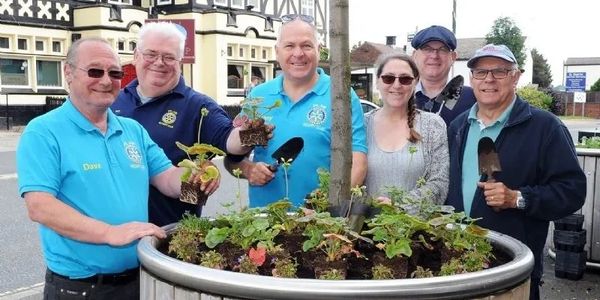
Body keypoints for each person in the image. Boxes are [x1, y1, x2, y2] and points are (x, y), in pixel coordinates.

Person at [16, 37, 199, 299]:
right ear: (68, 72)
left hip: (139, 278)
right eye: (94, 71)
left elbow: (167, 179)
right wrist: (110, 233)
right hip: (80, 288)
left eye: (115, 73)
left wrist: (196, 180)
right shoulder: (43, 131)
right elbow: (40, 207)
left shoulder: (132, 130)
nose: (106, 80)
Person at [445, 44, 586, 300]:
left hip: (510, 269)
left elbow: (572, 191)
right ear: (471, 79)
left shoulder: (545, 128)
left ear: (516, 76)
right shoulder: (458, 125)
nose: (489, 79)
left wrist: (518, 198)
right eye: (480, 72)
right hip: (458, 263)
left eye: (499, 71)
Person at [112, 22, 252, 226]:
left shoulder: (198, 105)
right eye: (151, 54)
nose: (159, 62)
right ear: (136, 56)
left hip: (169, 235)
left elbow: (231, 141)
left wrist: (251, 133)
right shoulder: (113, 101)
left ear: (180, 62)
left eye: (169, 57)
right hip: (113, 234)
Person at [225, 14, 367, 207]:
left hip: (320, 225)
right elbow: (233, 159)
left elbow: (357, 163)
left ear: (319, 50)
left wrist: (325, 209)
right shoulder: (260, 97)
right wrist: (249, 169)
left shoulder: (341, 95)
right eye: (289, 46)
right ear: (277, 52)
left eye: (306, 45)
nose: (298, 54)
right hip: (264, 224)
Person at [364, 52, 448, 203]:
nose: (396, 85)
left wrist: (399, 207)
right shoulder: (361, 125)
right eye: (388, 78)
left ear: (415, 82)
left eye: (405, 79)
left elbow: (439, 184)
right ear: (377, 82)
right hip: (366, 224)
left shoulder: (433, 125)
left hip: (415, 225)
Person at [411, 25, 476, 125]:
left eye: (442, 49)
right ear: (414, 55)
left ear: (453, 57)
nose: (434, 56)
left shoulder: (471, 98)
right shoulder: (404, 96)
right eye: (427, 49)